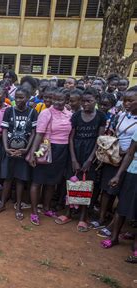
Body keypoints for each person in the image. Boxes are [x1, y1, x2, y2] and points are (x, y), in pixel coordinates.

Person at [55, 88, 106, 231]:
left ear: (96, 100)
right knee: (71, 183)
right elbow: (71, 138)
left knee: (87, 185)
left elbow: (99, 140)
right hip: (75, 153)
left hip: (91, 154)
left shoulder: (101, 116)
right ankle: (68, 213)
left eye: (89, 101)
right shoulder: (76, 116)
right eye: (83, 101)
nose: (85, 104)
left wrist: (90, 159)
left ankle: (83, 217)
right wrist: (73, 159)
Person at [96, 87, 137, 237]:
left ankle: (114, 225)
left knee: (122, 195)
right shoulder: (121, 115)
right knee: (107, 190)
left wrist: (125, 152)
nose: (127, 103)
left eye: (131, 101)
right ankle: (101, 218)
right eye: (125, 100)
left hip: (129, 162)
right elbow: (113, 131)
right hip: (113, 157)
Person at [28, 87, 72, 226]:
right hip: (46, 148)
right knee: (37, 181)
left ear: (66, 100)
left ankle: (46, 207)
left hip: (62, 150)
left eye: (61, 100)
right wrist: (32, 154)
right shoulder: (46, 113)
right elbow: (39, 134)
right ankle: (34, 211)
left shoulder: (69, 114)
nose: (57, 102)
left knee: (52, 182)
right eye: (55, 99)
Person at [0, 87, 37, 219]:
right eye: (17, 97)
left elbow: (33, 133)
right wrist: (6, 148)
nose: (19, 100)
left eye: (22, 97)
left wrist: (27, 149)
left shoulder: (33, 112)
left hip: (23, 152)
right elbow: (4, 130)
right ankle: (2, 203)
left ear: (28, 98)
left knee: (20, 180)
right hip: (9, 150)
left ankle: (18, 206)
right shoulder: (9, 111)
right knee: (7, 178)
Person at [101, 128, 137, 263]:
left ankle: (135, 246)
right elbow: (130, 153)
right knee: (123, 205)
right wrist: (117, 175)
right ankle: (114, 237)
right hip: (133, 172)